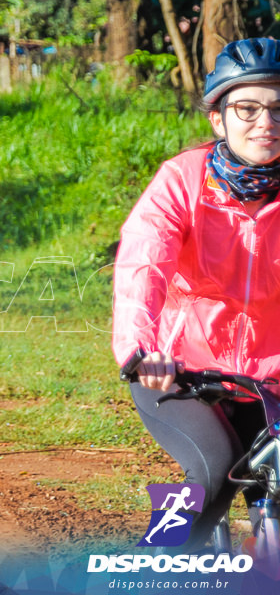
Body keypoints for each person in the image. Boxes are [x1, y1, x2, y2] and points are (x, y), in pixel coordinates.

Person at [113, 37, 280, 550]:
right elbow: (145, 262)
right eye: (247, 108)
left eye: (279, 109)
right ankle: (152, 565)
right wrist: (143, 349)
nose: (265, 123)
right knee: (213, 468)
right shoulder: (183, 180)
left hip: (270, 380)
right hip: (180, 370)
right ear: (218, 119)